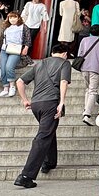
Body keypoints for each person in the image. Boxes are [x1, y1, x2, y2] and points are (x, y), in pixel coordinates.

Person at [14, 43, 71, 188]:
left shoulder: (40, 64)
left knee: (48, 131)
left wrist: (25, 100)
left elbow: (20, 81)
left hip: (36, 104)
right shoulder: (64, 63)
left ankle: (49, 162)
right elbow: (64, 81)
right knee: (43, 136)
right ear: (64, 54)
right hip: (50, 103)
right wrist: (62, 102)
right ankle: (26, 176)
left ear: (52, 52)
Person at [0, 11, 32, 98]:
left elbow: (28, 38)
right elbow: (1, 39)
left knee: (9, 67)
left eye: (14, 17)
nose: (12, 19)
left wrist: (26, 47)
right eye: (10, 17)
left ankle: (12, 86)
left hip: (16, 49)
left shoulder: (23, 27)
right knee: (3, 68)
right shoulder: (6, 27)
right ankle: (5, 88)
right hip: (4, 49)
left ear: (18, 18)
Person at [78, 24, 99, 126]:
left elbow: (80, 54)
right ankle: (87, 115)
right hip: (96, 69)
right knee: (93, 91)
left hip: (84, 68)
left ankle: (85, 109)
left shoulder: (84, 40)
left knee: (88, 90)